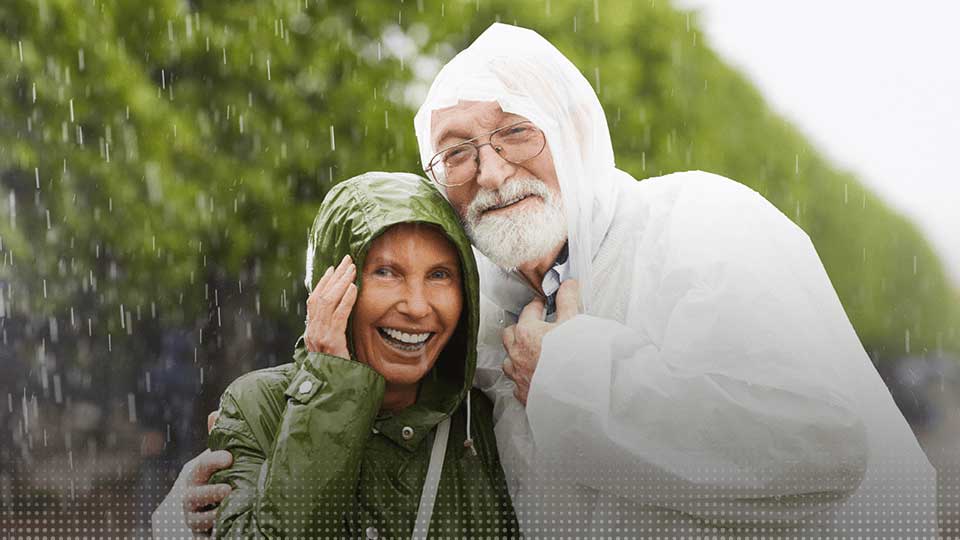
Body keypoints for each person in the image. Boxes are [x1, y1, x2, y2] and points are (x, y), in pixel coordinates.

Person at [158, 23, 937, 539]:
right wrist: (195, 512)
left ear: (572, 130)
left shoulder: (699, 224)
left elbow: (821, 445)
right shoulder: (492, 323)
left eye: (514, 133)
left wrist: (571, 372)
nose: (491, 171)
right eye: (456, 153)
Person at [154, 172, 520, 539]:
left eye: (440, 275)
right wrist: (329, 388)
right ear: (330, 285)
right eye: (386, 272)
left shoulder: (488, 420)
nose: (416, 306)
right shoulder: (258, 407)